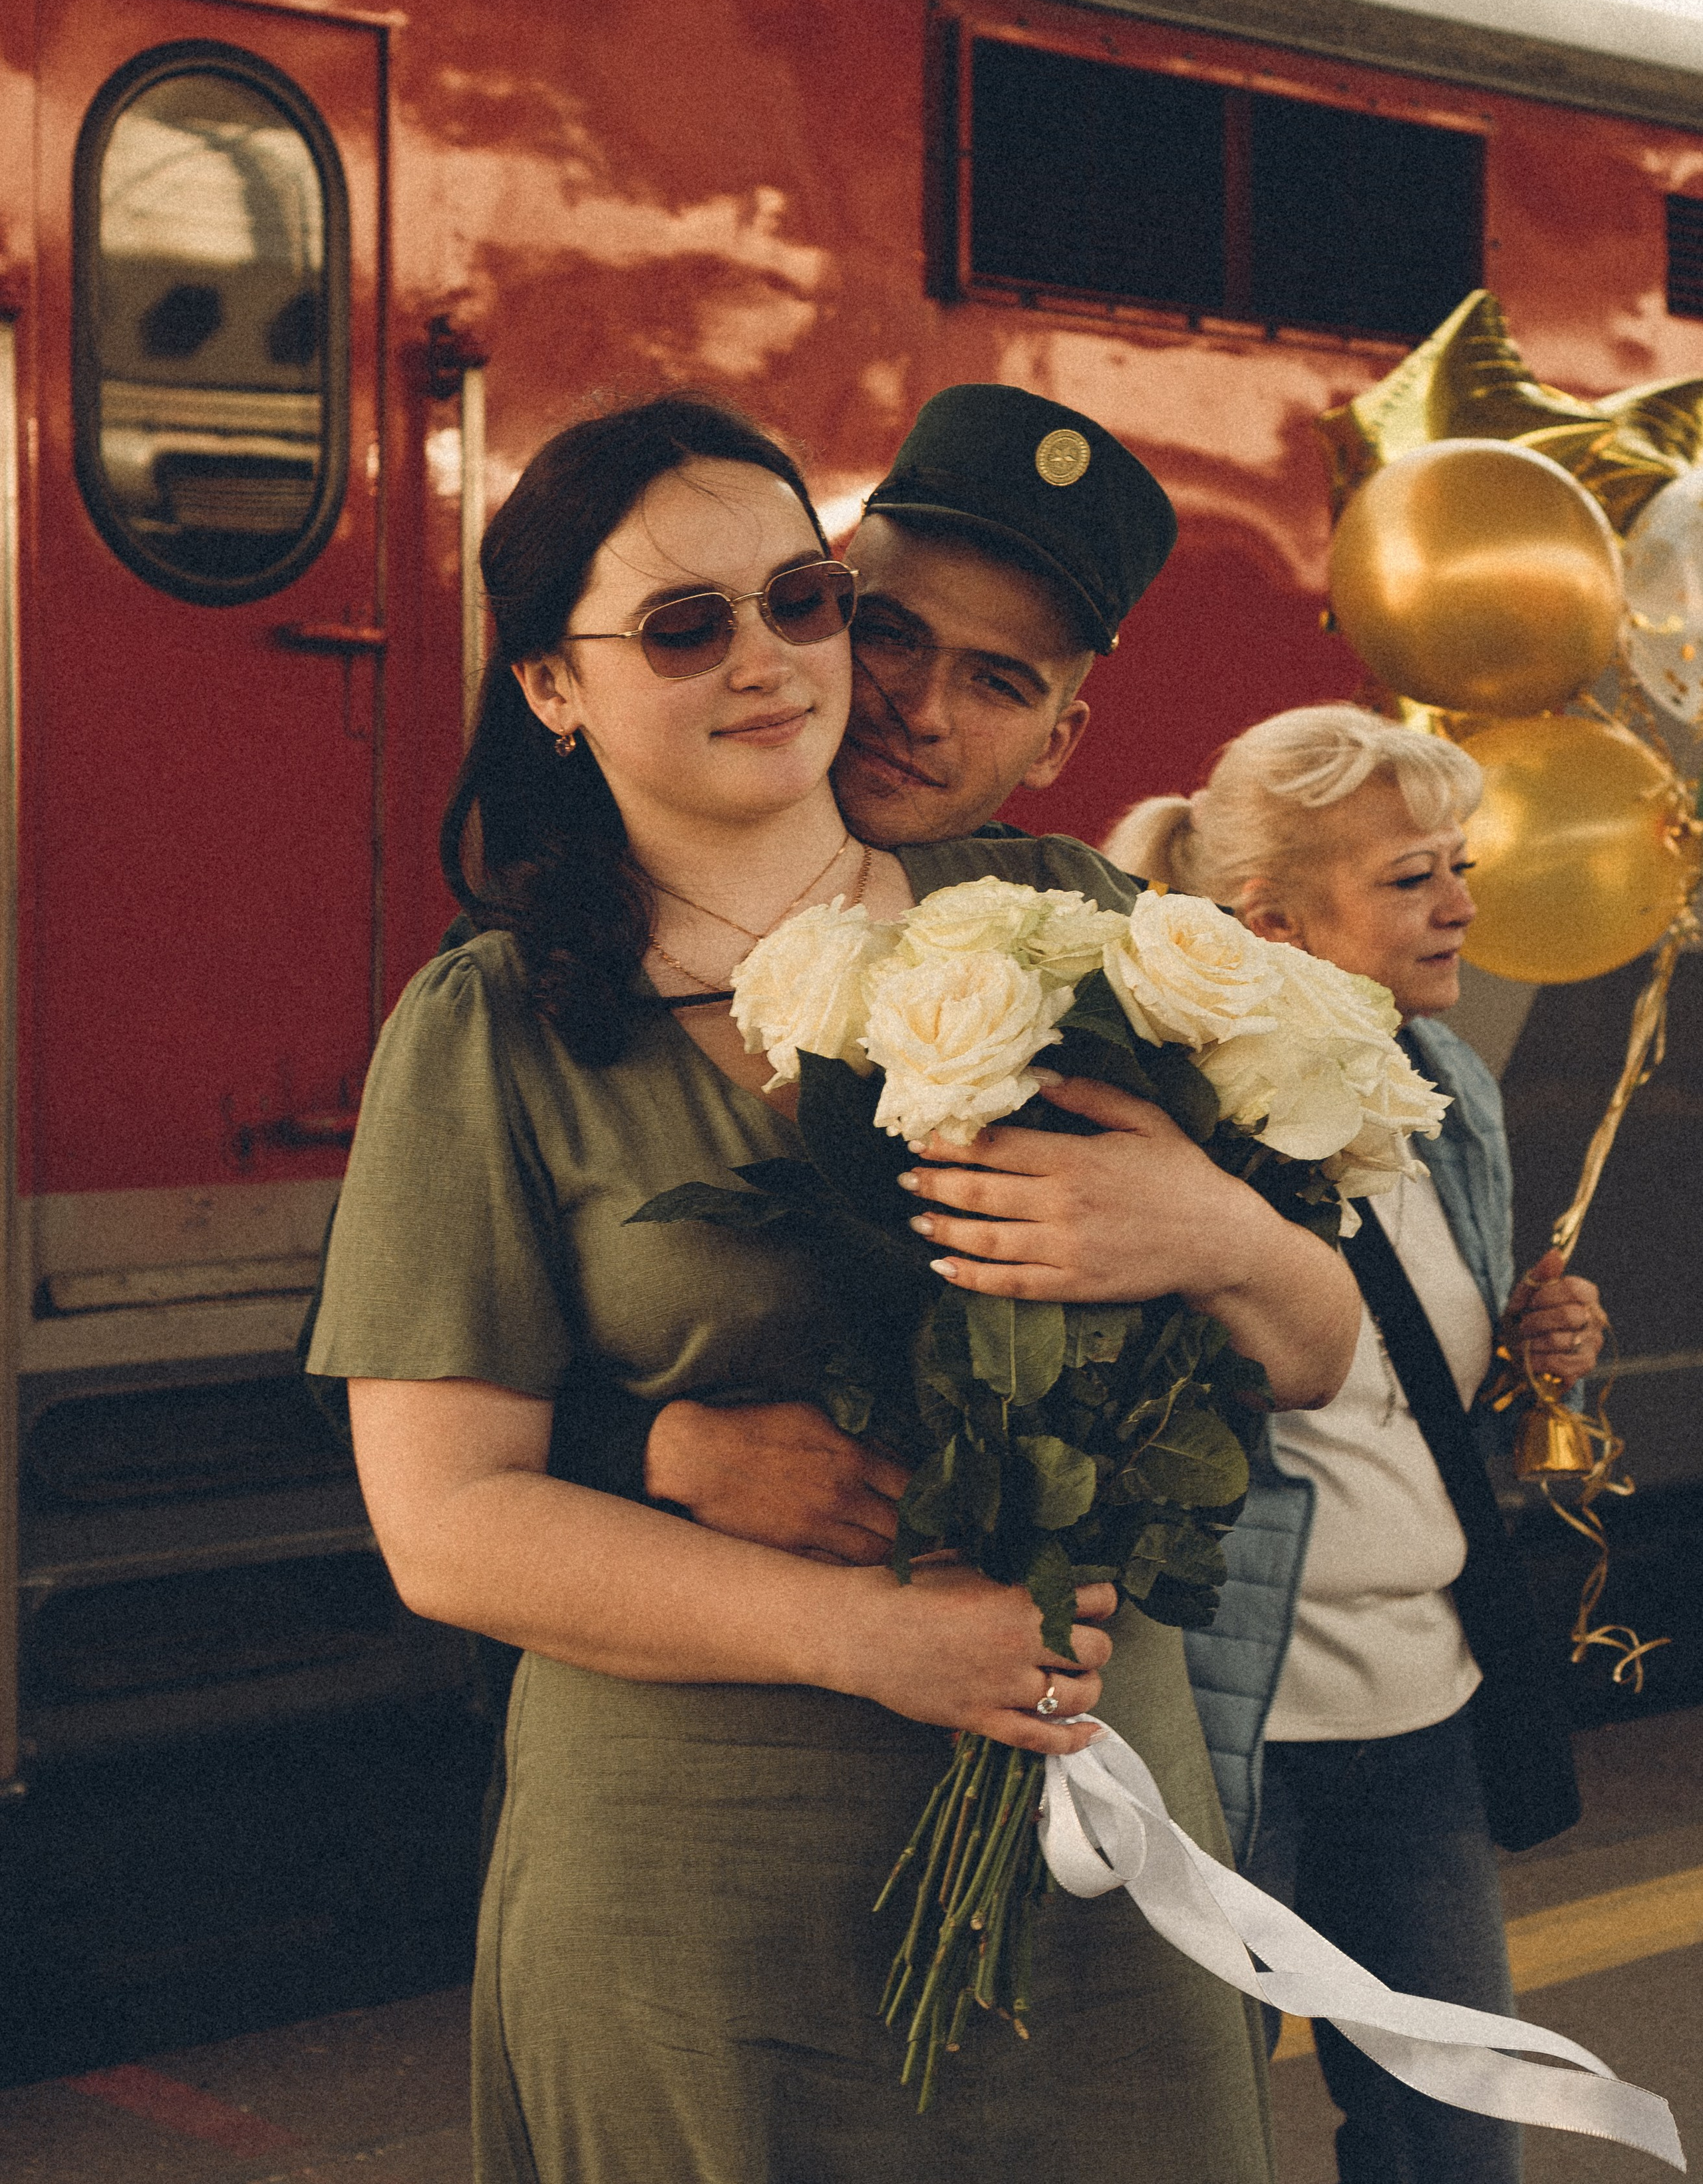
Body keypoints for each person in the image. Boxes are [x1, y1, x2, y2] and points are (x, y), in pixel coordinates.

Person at [306, 390, 1351, 2184]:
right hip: (704, 1905)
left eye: (801, 599)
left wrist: (1219, 1236)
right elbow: (445, 1531)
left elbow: (1318, 1352)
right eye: (682, 626)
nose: (782, 660)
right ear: (554, 686)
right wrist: (878, 1637)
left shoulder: (1071, 920)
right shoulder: (489, 1030)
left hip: (1097, 1860)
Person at [574, 384, 1360, 1545]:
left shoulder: (1113, 937)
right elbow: (382, 1388)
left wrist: (1223, 1234)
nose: (923, 710)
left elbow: (1316, 1353)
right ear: (815, 614)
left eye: (1000, 681)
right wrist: (651, 1448)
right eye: (889, 634)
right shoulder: (567, 944)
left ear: (1060, 742)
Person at [1104, 706, 1603, 2184]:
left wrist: (1527, 1362)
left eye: (1455, 865)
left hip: (1418, 1714)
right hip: (1226, 1729)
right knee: (1190, 2142)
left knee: (1454, 2149)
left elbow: (1427, 1426)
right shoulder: (1182, 1126)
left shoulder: (1450, 1095)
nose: (1458, 903)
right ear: (1267, 920)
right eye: (1407, 879)